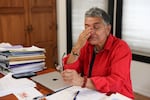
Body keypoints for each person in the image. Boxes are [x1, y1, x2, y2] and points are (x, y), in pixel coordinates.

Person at [61, 7, 134, 99]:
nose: (90, 32)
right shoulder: (86, 45)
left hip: (116, 96)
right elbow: (71, 70)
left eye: (96, 27)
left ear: (108, 29)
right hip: (92, 93)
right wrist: (77, 47)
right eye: (87, 27)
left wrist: (82, 81)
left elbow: (116, 82)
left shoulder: (121, 48)